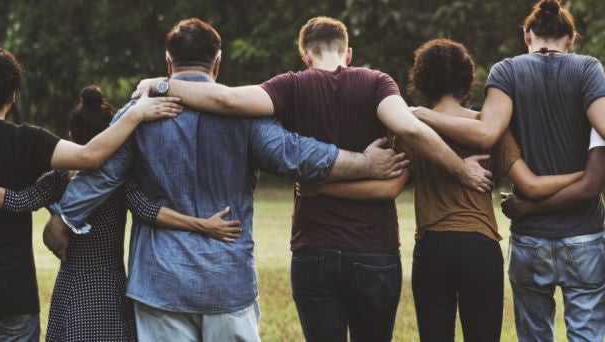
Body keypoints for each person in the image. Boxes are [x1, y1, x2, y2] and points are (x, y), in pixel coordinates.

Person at [133, 16, 493, 341]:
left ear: (305, 55)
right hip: (374, 251)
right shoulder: (377, 82)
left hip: (313, 251)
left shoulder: (288, 87)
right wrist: (461, 168)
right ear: (348, 53)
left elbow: (226, 101)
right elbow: (409, 127)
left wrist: (165, 85)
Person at [42, 18, 403, 342]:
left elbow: (101, 175)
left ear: (168, 63)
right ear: (217, 63)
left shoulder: (138, 112)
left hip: (160, 283)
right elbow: (296, 154)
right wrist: (365, 163)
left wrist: (63, 217)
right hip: (226, 281)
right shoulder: (245, 118)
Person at [299, 38, 583, 342]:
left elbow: (386, 190)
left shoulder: (413, 130)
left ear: (421, 80)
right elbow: (530, 185)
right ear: (466, 80)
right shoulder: (488, 128)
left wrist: (322, 189)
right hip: (480, 250)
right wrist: (584, 175)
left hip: (433, 251)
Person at [0, 85, 240, 341]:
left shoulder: (58, 179)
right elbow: (150, 211)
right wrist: (204, 225)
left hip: (72, 288)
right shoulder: (120, 182)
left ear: (71, 134)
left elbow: (17, 202)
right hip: (109, 288)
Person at [409, 1, 605, 340]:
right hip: (584, 233)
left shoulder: (507, 71)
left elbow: (487, 132)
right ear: (570, 39)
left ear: (527, 35)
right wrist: (586, 176)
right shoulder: (588, 69)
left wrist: (422, 115)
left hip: (529, 238)